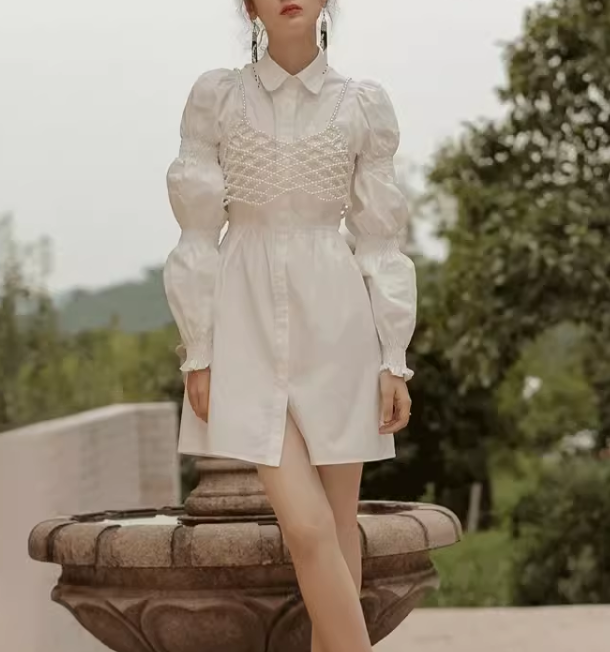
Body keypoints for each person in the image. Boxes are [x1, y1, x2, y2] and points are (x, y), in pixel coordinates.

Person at [163, 1, 417, 651]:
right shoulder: (217, 100)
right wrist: (198, 348)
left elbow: (381, 239)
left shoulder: (362, 105)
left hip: (340, 330)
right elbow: (196, 233)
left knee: (337, 528)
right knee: (307, 529)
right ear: (248, 5)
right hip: (244, 324)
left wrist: (394, 356)